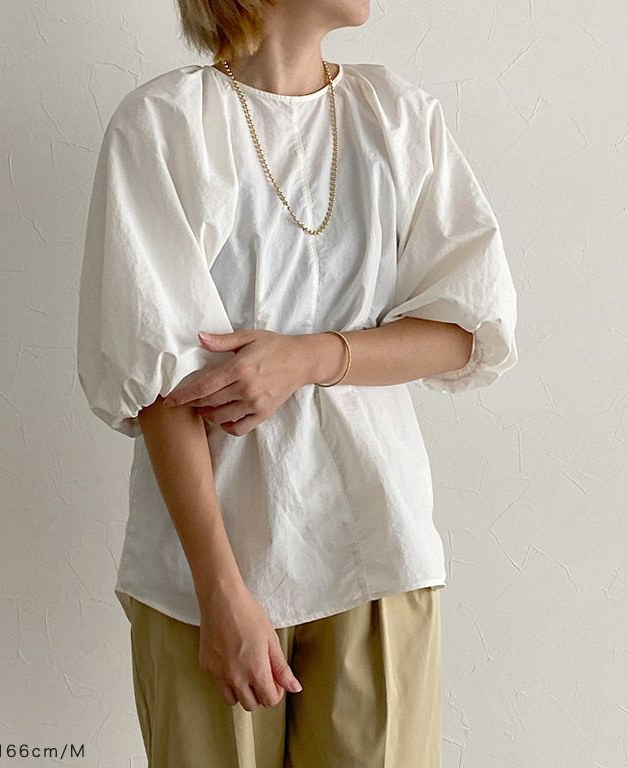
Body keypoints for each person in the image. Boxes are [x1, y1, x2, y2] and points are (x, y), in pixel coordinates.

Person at [76, 1, 518, 766]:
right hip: (203, 580)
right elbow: (156, 380)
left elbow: (469, 329)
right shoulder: (165, 125)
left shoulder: (397, 117)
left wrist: (308, 357)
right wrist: (220, 590)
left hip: (376, 552)